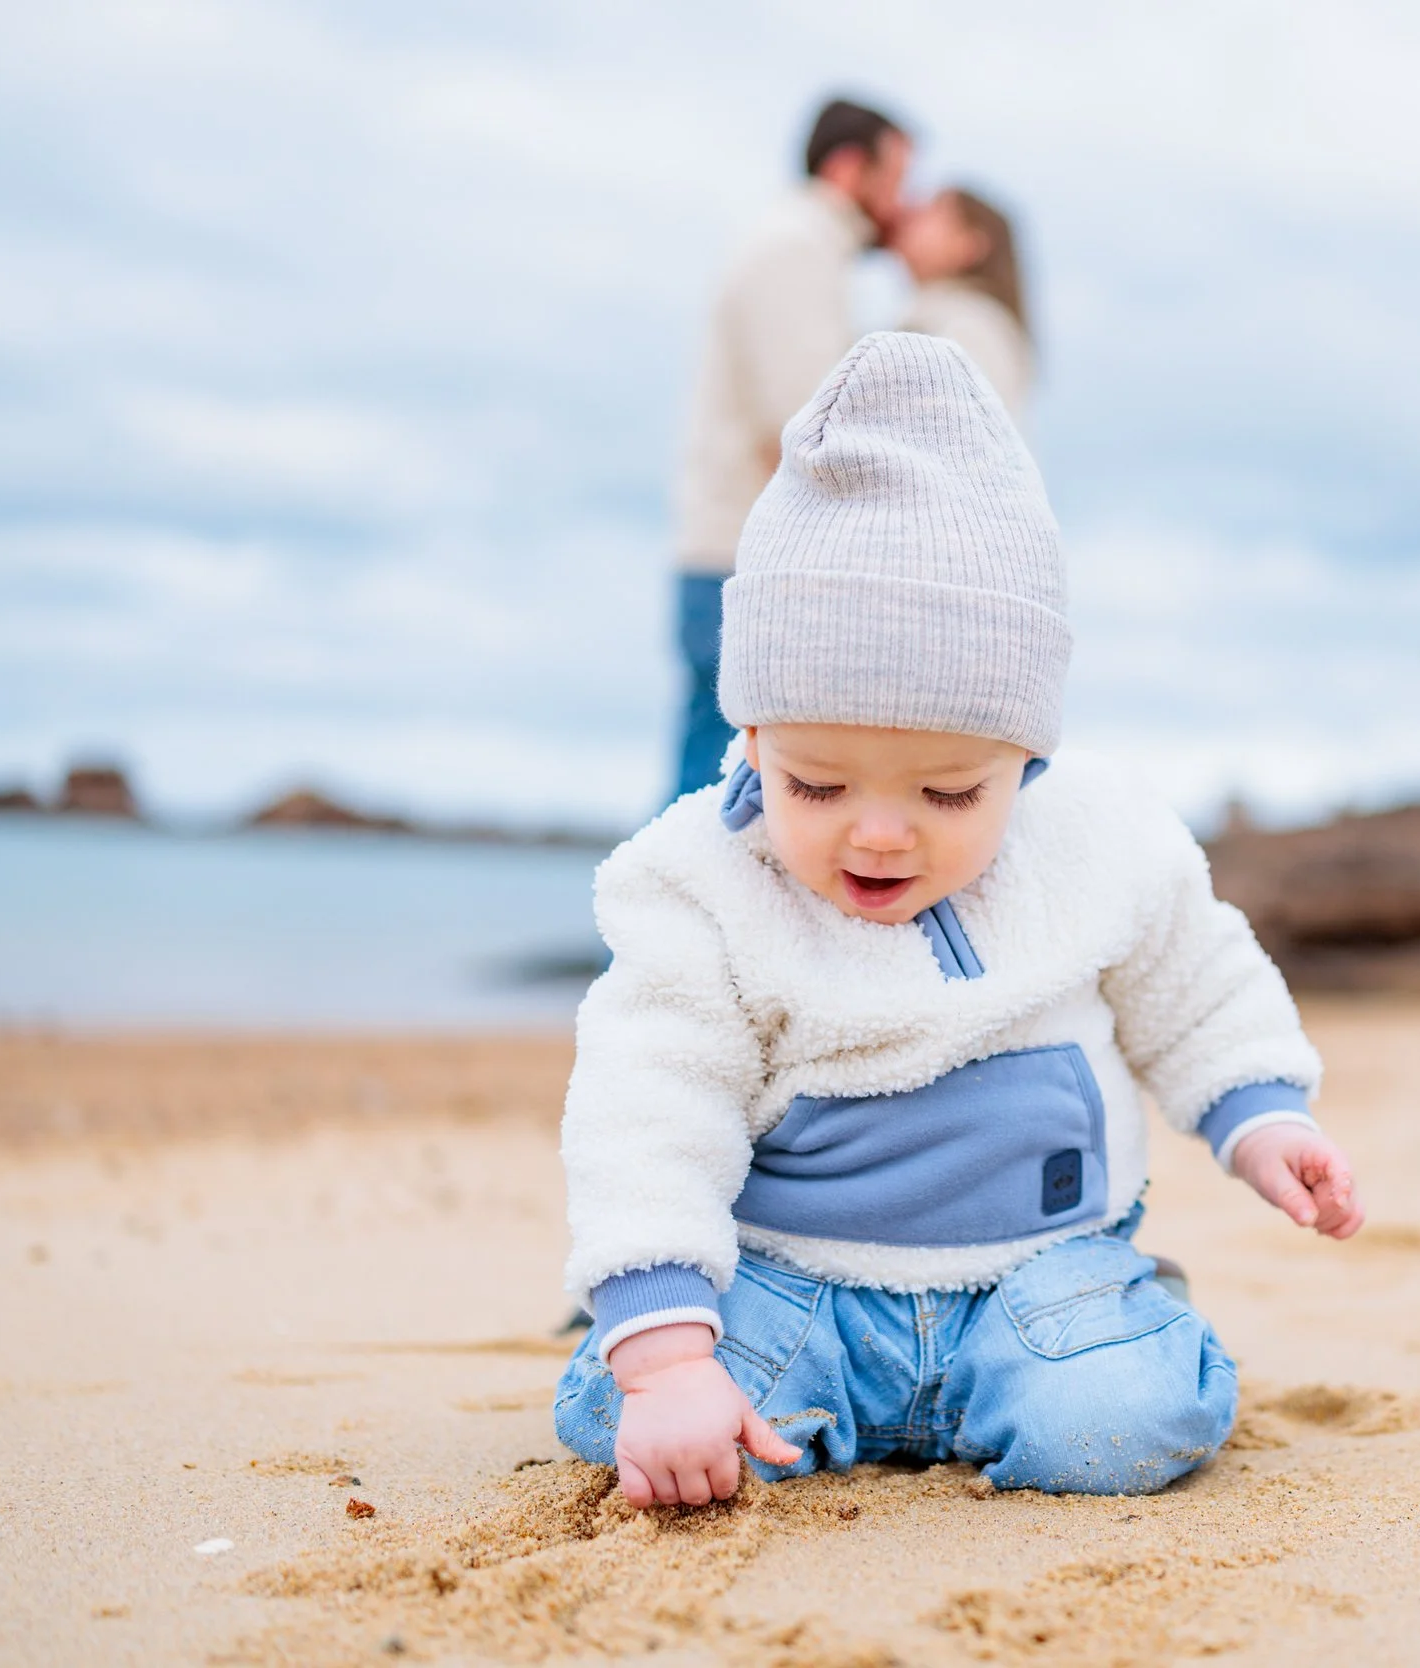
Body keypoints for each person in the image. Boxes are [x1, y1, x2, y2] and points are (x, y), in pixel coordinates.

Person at [554, 333, 1364, 1505]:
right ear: (751, 742)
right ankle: (763, 1390)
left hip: (1037, 1281)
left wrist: (1261, 1114)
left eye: (948, 794)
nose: (879, 835)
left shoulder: (1098, 842)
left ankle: (1116, 1328)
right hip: (793, 1287)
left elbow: (1195, 983)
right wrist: (667, 1357)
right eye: (815, 786)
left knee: (1121, 1427)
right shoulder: (701, 886)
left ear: (1026, 760)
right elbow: (648, 1108)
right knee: (615, 1408)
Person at [666, 98, 914, 804]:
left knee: (715, 782)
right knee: (715, 797)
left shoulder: (797, 246)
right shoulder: (797, 248)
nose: (901, 204)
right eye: (894, 178)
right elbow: (807, 420)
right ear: (847, 167)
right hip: (745, 563)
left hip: (729, 554)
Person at [895, 188, 1035, 426]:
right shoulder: (955, 318)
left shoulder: (972, 326)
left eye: (934, 210)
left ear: (969, 245)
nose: (912, 213)